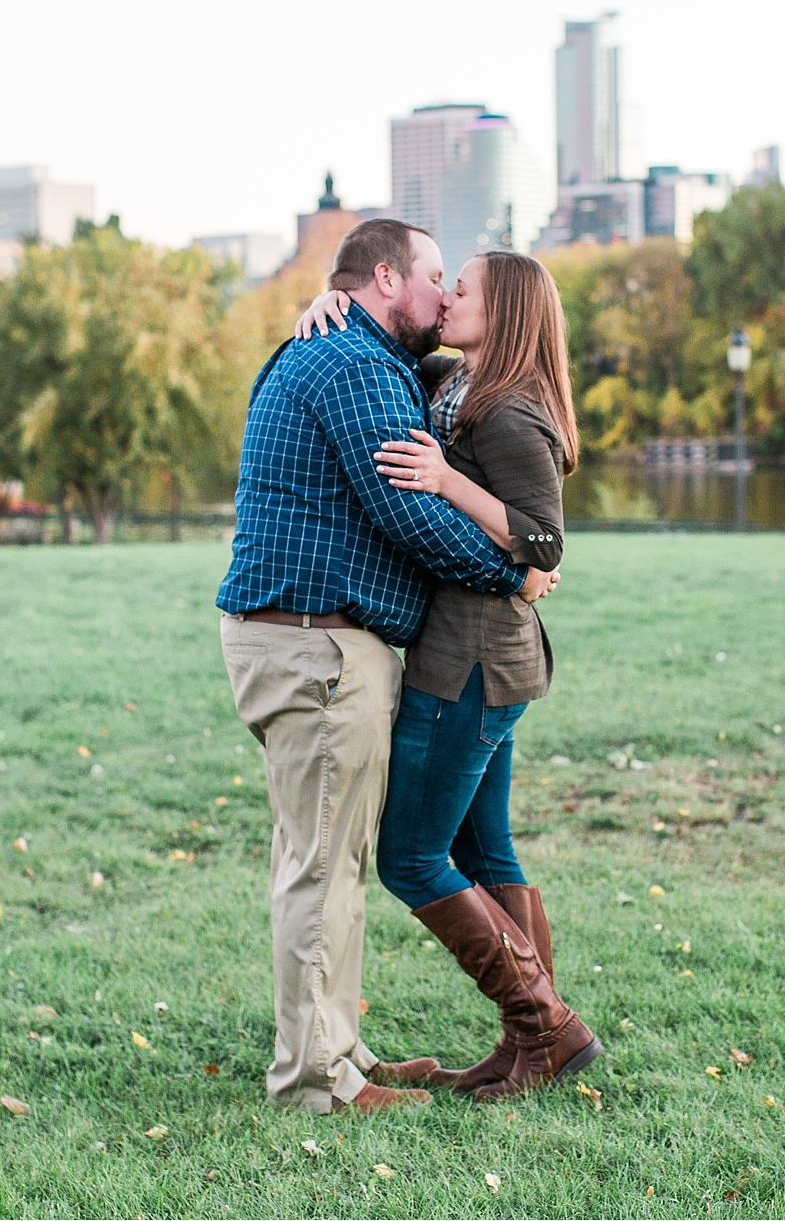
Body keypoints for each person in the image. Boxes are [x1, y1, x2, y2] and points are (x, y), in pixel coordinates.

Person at [216, 218, 558, 1116]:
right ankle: (320, 1084)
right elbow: (404, 511)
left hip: (321, 640)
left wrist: (525, 549)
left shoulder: (386, 360)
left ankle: (347, 1055)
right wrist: (516, 572)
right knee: (328, 866)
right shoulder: (356, 362)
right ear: (384, 278)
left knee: (339, 859)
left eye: (462, 286)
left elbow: (489, 460)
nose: (445, 296)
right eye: (437, 277)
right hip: (314, 643)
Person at [293, 249, 601, 1100]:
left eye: (461, 290)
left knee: (413, 857)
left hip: (469, 659)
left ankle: (549, 1028)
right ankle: (529, 1041)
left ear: (500, 312)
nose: (447, 299)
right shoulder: (456, 382)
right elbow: (388, 338)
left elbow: (544, 544)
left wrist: (443, 482)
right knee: (481, 845)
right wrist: (328, 299)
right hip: (479, 655)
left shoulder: (506, 414)